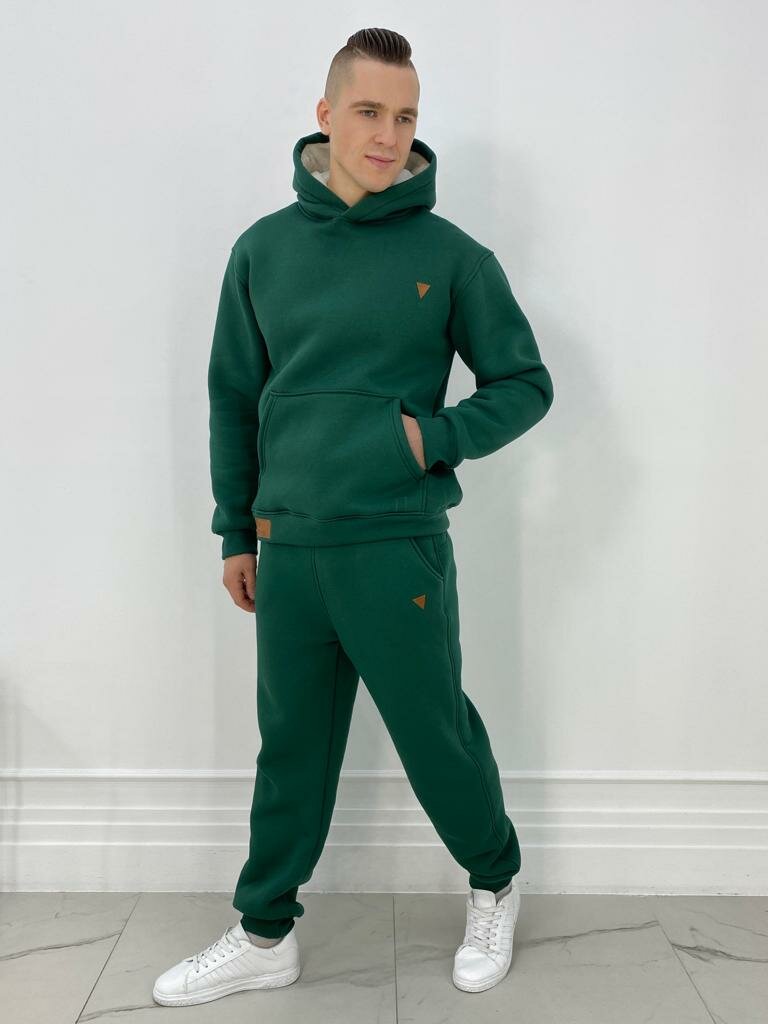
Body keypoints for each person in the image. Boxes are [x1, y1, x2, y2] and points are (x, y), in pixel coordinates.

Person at [153, 25, 554, 1007]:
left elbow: (525, 383)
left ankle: (495, 881)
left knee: (435, 736)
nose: (388, 135)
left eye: (406, 117)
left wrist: (431, 440)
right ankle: (264, 933)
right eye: (369, 111)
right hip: (289, 549)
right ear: (325, 114)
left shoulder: (452, 257)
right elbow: (233, 397)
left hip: (394, 546)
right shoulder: (263, 250)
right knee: (290, 751)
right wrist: (236, 530)